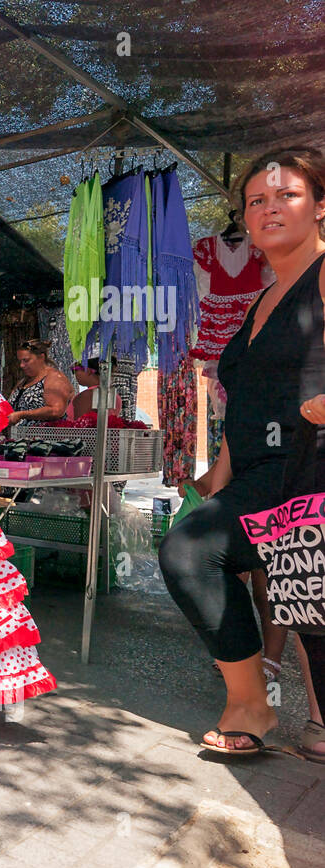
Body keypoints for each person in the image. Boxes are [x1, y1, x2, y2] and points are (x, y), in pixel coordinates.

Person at [161, 146, 325, 762]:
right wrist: (217, 477)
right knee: (188, 552)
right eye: (257, 200)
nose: (269, 208)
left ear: (320, 207)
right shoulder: (260, 301)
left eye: (286, 195)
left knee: (311, 601)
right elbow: (246, 402)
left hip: (313, 470)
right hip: (259, 475)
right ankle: (251, 700)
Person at [6, 338, 73, 426]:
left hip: (44, 437)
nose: (21, 365)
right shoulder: (24, 381)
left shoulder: (54, 378)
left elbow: (56, 411)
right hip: (20, 437)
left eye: (26, 360)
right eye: (20, 361)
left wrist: (21, 414)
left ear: (41, 357)